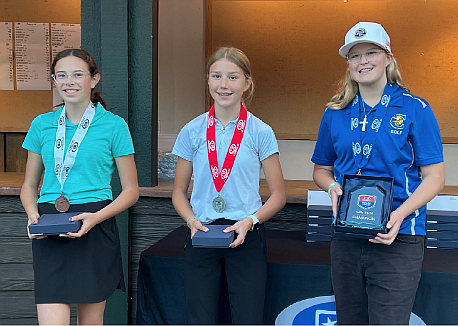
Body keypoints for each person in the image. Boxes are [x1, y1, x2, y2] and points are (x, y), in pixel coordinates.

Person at [311, 21, 445, 325]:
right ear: (348, 65)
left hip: (399, 237)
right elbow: (321, 170)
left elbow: (435, 176)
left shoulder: (416, 109)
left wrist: (400, 214)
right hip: (346, 236)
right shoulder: (334, 112)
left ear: (388, 56)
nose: (363, 61)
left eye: (371, 52)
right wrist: (332, 187)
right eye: (355, 56)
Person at [20, 48, 139, 325]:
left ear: (94, 79)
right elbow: (29, 184)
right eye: (61, 75)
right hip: (48, 224)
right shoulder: (41, 124)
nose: (69, 81)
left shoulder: (114, 126)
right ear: (54, 80)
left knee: (90, 322)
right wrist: (31, 215)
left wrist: (96, 218)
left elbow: (131, 190)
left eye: (77, 74)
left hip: (94, 223)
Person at [172, 46, 286, 324]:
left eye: (233, 77)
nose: (224, 85)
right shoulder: (192, 130)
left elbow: (278, 195)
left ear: (247, 83)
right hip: (201, 232)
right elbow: (178, 192)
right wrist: (190, 220)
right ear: (208, 81)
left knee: (247, 316)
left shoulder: (261, 131)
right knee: (200, 317)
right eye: (216, 76)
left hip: (245, 234)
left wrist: (250, 221)